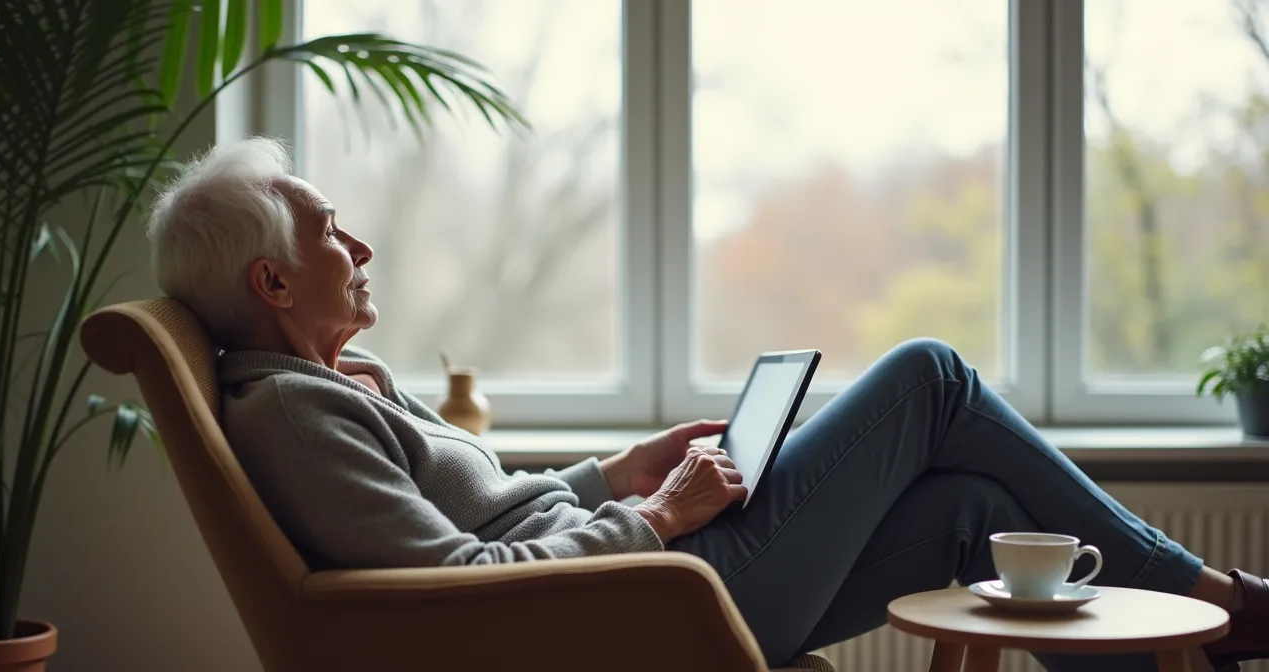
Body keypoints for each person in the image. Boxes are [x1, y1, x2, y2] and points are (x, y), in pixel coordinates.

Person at [146, 138, 1267, 672]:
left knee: (970, 507)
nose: (362, 245)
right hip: (648, 604)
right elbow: (452, 590)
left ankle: (1202, 645)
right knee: (930, 374)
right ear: (272, 283)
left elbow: (488, 525)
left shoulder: (340, 385)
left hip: (642, 572)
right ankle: (1222, 601)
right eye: (331, 229)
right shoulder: (289, 413)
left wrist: (615, 473)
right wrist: (664, 518)